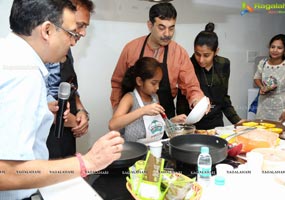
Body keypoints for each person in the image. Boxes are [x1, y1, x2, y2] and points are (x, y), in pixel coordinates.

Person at [0, 0, 123, 199]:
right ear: (47, 31)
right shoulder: (23, 75)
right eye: (70, 33)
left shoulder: (9, 54)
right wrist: (87, 162)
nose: (73, 42)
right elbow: (5, 173)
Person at [110, 2, 206, 119]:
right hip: (133, 120)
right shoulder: (131, 49)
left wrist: (197, 101)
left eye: (171, 28)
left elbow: (191, 86)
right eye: (161, 28)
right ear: (150, 25)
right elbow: (117, 84)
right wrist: (118, 112)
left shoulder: (179, 53)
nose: (167, 34)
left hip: (165, 120)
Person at [46, 0, 94, 159]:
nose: (82, 33)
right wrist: (72, 121)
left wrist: (80, 110)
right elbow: (40, 103)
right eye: (79, 25)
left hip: (66, 131)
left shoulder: (66, 47)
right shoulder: (41, 55)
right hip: (48, 134)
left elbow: (70, 85)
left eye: (85, 26)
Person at [176, 22, 244, 130]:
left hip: (216, 124)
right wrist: (184, 126)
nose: (201, 59)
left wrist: (237, 121)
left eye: (206, 55)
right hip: (193, 124)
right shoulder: (188, 65)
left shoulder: (223, 64)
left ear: (216, 51)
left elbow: (223, 98)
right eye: (197, 54)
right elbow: (181, 100)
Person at [109, 57, 186, 143]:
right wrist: (143, 111)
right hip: (134, 151)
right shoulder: (129, 98)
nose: (157, 87)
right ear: (139, 81)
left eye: (159, 83)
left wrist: (172, 121)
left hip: (154, 149)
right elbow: (113, 125)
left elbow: (155, 126)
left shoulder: (155, 97)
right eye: (153, 83)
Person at [254, 34, 285, 122]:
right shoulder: (263, 63)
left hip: (283, 110)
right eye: (272, 47)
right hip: (264, 109)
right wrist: (262, 87)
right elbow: (257, 78)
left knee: (281, 134)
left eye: (279, 48)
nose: (275, 50)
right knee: (263, 133)